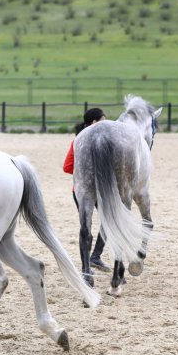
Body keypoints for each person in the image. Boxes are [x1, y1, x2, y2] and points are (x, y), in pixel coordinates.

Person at [63, 107, 110, 272]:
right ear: (95, 122)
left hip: (79, 191)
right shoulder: (102, 142)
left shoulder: (77, 141)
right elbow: (67, 167)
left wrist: (83, 173)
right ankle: (95, 256)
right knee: (108, 222)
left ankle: (92, 261)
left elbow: (68, 167)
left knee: (87, 227)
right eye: (104, 120)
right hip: (99, 190)